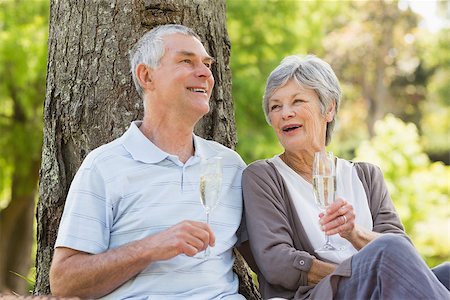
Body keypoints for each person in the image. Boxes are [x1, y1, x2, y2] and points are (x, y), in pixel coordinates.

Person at [49, 24, 249, 299]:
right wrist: (151, 247)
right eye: (186, 61)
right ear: (147, 76)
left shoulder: (229, 165)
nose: (205, 73)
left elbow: (273, 256)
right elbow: (65, 282)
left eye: (206, 64)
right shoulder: (104, 166)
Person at [242, 54, 450, 299]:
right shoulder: (263, 177)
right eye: (276, 106)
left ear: (329, 108)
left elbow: (402, 253)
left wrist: (354, 233)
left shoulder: (367, 176)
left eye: (297, 101)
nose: (285, 113)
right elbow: (277, 263)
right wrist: (363, 274)